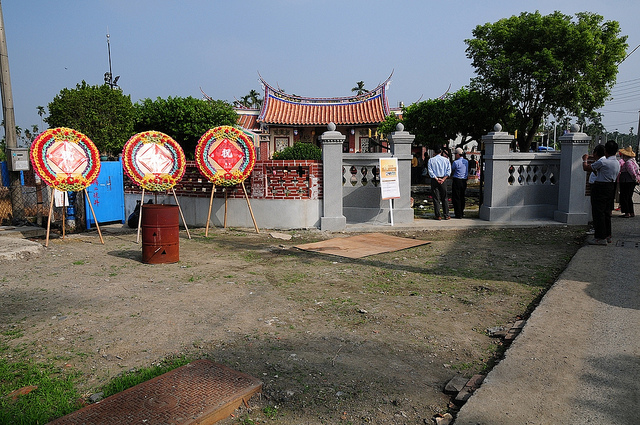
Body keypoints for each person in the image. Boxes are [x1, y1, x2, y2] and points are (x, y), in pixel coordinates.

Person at [582, 140, 620, 245]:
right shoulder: (617, 162)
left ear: (606, 151)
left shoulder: (603, 162)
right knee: (606, 212)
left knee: (598, 213)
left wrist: (584, 160)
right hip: (610, 186)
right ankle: (608, 235)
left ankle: (600, 237)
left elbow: (586, 168)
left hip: (600, 187)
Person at [428, 146, 451, 220]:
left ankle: (438, 215)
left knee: (436, 198)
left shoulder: (431, 160)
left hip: (435, 179)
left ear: (434, 152)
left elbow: (430, 171)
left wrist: (436, 179)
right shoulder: (446, 160)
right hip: (443, 179)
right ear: (441, 152)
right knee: (444, 197)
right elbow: (448, 171)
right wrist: (443, 179)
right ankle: (446, 214)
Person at [617, 146, 639, 218]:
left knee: (625, 196)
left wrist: (634, 178)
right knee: (629, 197)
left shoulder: (628, 162)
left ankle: (627, 212)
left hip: (627, 181)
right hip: (630, 181)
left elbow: (632, 172)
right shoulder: (633, 161)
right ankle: (631, 212)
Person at [451, 147, 469, 218]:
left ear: (458, 154)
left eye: (455, 154)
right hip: (464, 180)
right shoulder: (466, 162)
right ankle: (462, 211)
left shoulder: (455, 162)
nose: (455, 155)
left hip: (457, 180)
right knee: (462, 196)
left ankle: (458, 213)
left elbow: (452, 170)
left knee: (456, 197)